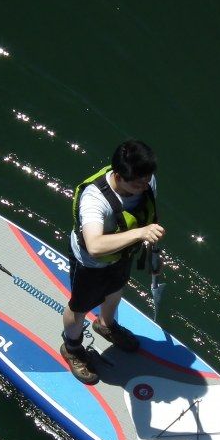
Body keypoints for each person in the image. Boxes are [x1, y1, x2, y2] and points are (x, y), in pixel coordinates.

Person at [61, 139, 165, 384]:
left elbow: (147, 218)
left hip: (122, 254)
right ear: (118, 175)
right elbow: (95, 246)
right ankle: (72, 347)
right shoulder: (94, 201)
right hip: (91, 264)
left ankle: (105, 324)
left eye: (146, 179)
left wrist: (153, 252)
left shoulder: (146, 180)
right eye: (137, 183)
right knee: (79, 308)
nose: (143, 186)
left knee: (116, 290)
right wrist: (140, 233)